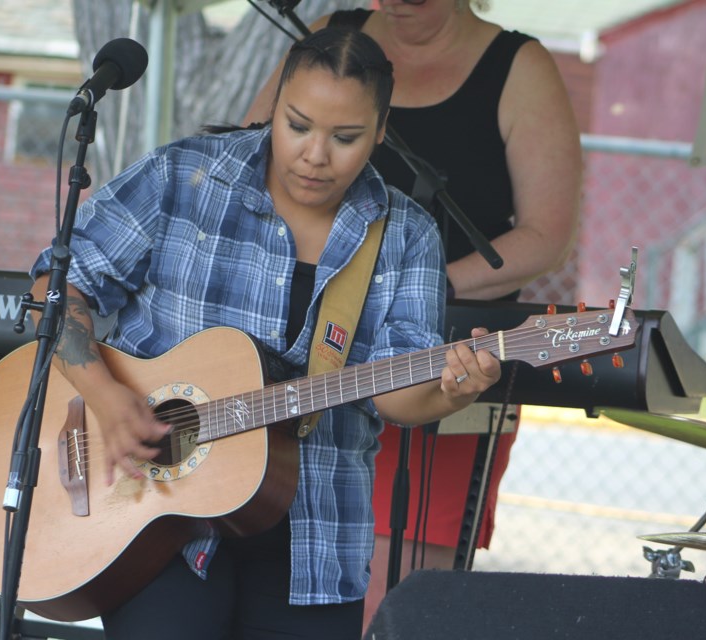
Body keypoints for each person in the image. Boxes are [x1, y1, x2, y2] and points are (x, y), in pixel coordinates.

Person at [29, 27, 501, 640]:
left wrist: (452, 391)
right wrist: (106, 396)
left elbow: (396, 393)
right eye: (298, 124)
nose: (315, 154)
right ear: (274, 105)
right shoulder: (185, 176)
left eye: (346, 137)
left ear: (381, 132)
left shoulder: (405, 235)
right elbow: (55, 289)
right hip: (159, 519)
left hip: (313, 536)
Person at [244, 0, 583, 629]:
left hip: (456, 346)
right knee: (280, 557)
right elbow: (249, 159)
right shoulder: (330, 37)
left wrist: (412, 288)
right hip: (299, 344)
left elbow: (545, 236)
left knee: (410, 595)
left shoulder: (518, 65)